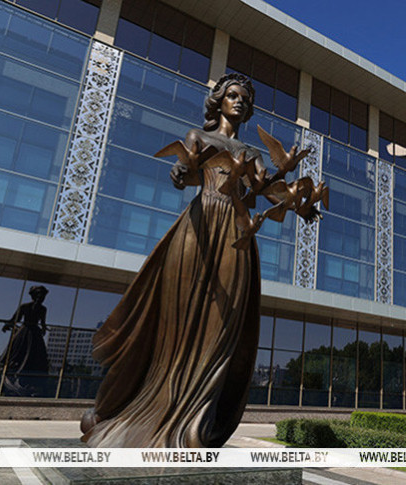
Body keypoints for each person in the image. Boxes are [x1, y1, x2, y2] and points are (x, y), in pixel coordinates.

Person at [81, 73, 270, 448]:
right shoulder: (197, 137)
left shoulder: (252, 154)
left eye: (245, 99)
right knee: (175, 320)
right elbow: (184, 178)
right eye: (233, 95)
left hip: (235, 236)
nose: (239, 102)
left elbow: (261, 191)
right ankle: (143, 407)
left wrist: (294, 195)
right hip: (198, 227)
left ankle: (196, 420)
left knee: (222, 327)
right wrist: (183, 169)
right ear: (219, 101)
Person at [0, 285, 49, 395]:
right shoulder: (25, 306)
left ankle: (29, 382)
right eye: (39, 296)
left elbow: (43, 322)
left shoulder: (43, 309)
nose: (41, 298)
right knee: (18, 353)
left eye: (43, 297)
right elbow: (16, 318)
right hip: (25, 332)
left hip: (35, 333)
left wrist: (43, 329)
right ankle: (14, 376)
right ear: (34, 296)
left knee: (36, 356)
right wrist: (8, 324)